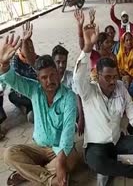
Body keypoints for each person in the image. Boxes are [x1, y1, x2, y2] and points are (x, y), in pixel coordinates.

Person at [73, 23, 133, 185]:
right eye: (107, 77)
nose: (113, 81)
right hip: (96, 146)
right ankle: (132, 170)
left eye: (115, 76)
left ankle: (108, 169)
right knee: (95, 161)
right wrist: (88, 47)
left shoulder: (120, 88)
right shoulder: (88, 91)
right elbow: (77, 79)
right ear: (97, 76)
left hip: (117, 141)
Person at [1, 34, 78, 186]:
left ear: (57, 73)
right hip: (38, 146)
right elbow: (13, 80)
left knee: (71, 160)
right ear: (38, 79)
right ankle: (50, 179)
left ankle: (28, 174)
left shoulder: (69, 97)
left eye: (52, 75)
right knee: (9, 154)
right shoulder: (34, 90)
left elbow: (68, 133)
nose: (49, 81)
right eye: (44, 78)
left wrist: (61, 161)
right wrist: (3, 64)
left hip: (60, 149)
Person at [9, 22, 37, 122]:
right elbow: (15, 79)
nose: (30, 49)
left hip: (35, 91)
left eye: (31, 47)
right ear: (20, 49)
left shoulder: (37, 59)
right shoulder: (15, 61)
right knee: (12, 96)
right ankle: (32, 108)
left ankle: (28, 110)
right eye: (27, 47)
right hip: (22, 92)